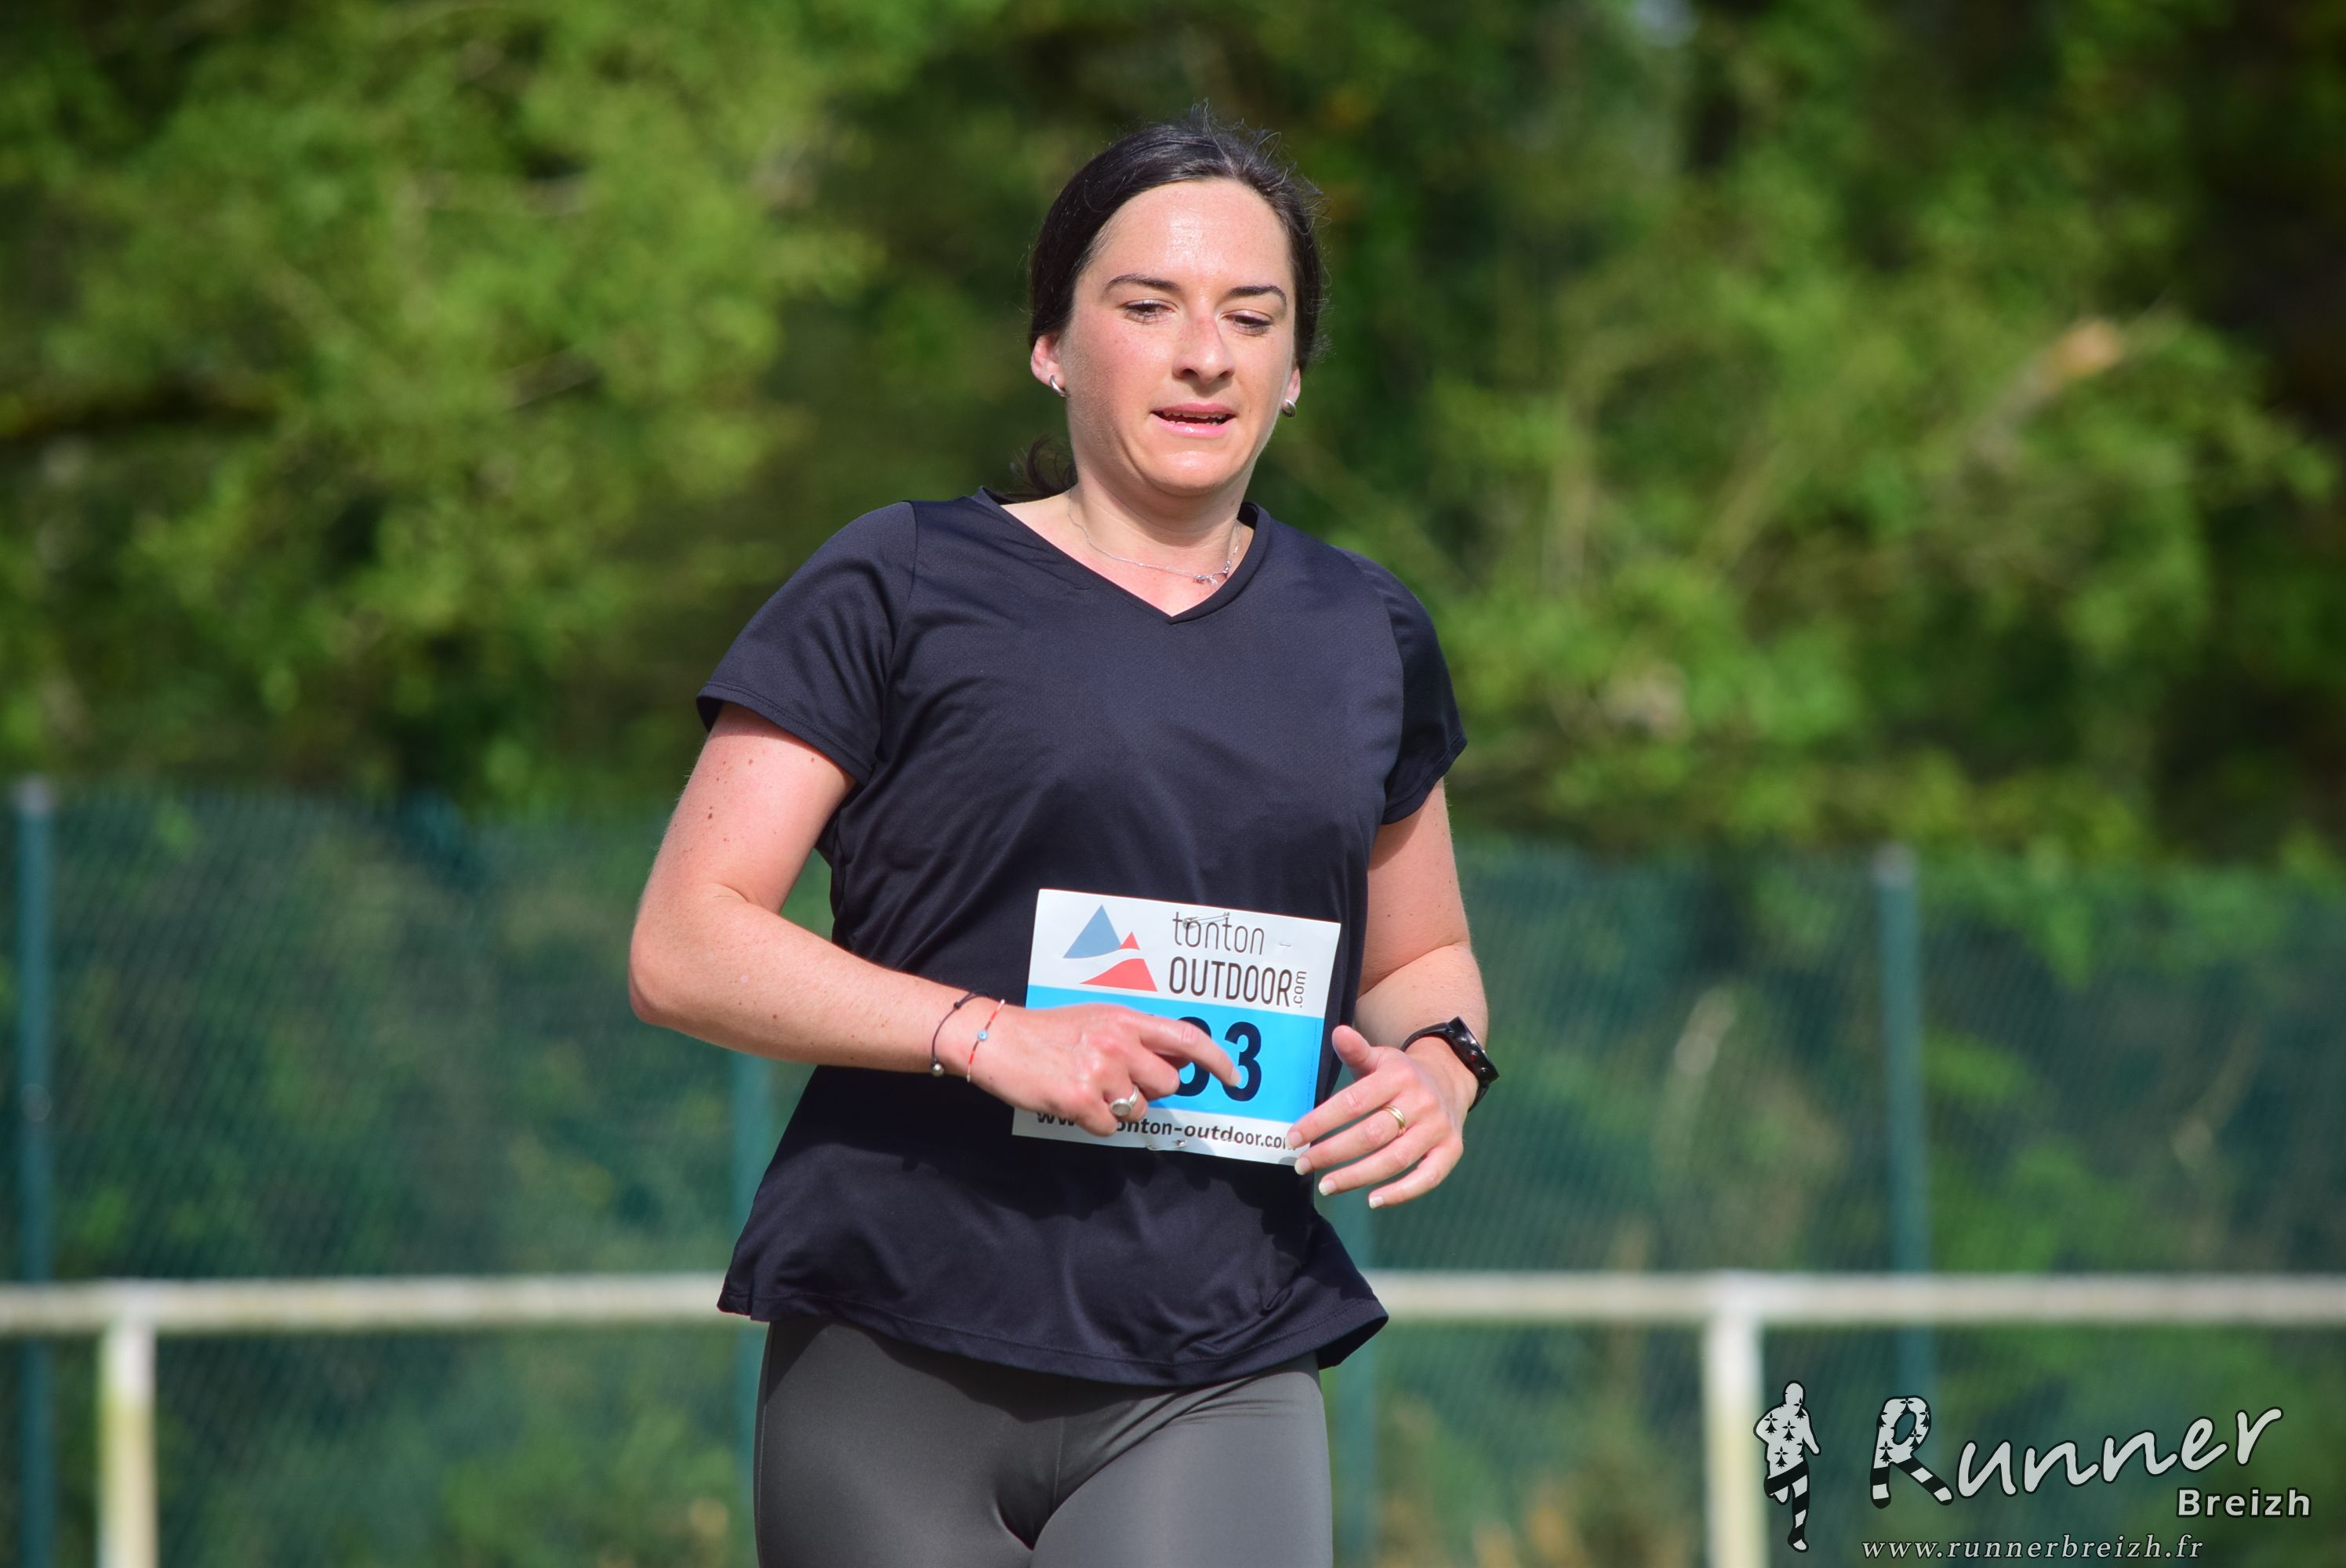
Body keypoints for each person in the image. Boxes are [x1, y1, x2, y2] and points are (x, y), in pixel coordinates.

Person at [629, 105, 1495, 1568]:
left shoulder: (1369, 631)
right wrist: (989, 1035)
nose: (1204, 352)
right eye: (1147, 306)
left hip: (1222, 1351)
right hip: (895, 1343)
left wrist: (1441, 1070)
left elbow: (1426, 959)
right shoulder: (899, 580)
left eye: (1252, 316)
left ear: (1295, 369)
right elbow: (684, 944)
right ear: (1052, 342)